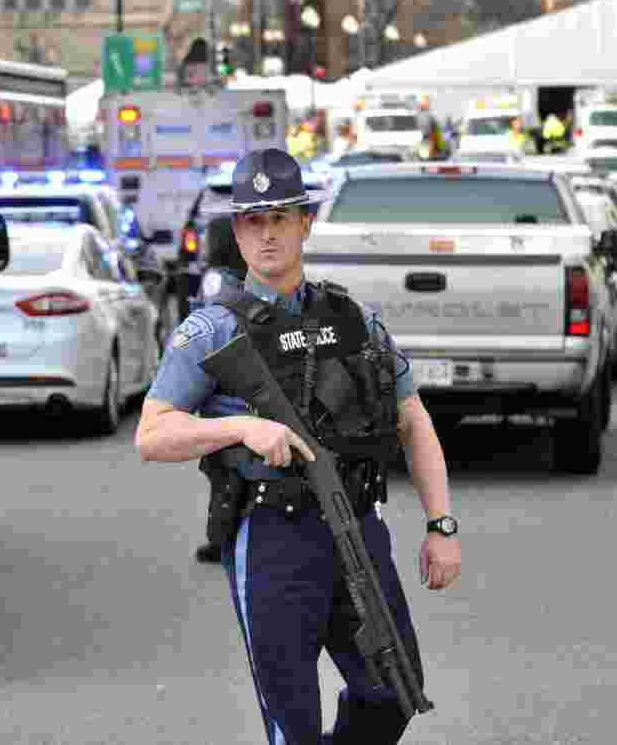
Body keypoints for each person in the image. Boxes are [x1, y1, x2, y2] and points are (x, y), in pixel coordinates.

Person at [135, 148, 461, 744]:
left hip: (359, 526)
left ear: (305, 222)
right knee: (294, 724)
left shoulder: (355, 318)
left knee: (395, 690)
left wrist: (441, 526)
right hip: (273, 541)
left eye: (280, 218)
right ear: (236, 231)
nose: (267, 234)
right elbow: (152, 434)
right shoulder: (213, 329)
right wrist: (240, 429)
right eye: (253, 221)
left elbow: (413, 419)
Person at [191, 215, 249, 563]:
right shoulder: (251, 279)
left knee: (222, 471)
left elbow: (203, 327)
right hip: (244, 386)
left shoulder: (217, 281)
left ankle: (221, 538)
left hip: (221, 389)